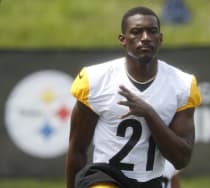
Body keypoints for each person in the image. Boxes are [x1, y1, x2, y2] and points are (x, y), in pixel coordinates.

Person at [66, 6, 201, 188]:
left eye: (152, 32)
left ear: (160, 39)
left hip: (150, 181)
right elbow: (77, 149)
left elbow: (181, 159)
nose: (145, 38)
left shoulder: (182, 84)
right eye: (136, 32)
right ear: (123, 40)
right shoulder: (96, 80)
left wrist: (149, 114)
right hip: (105, 176)